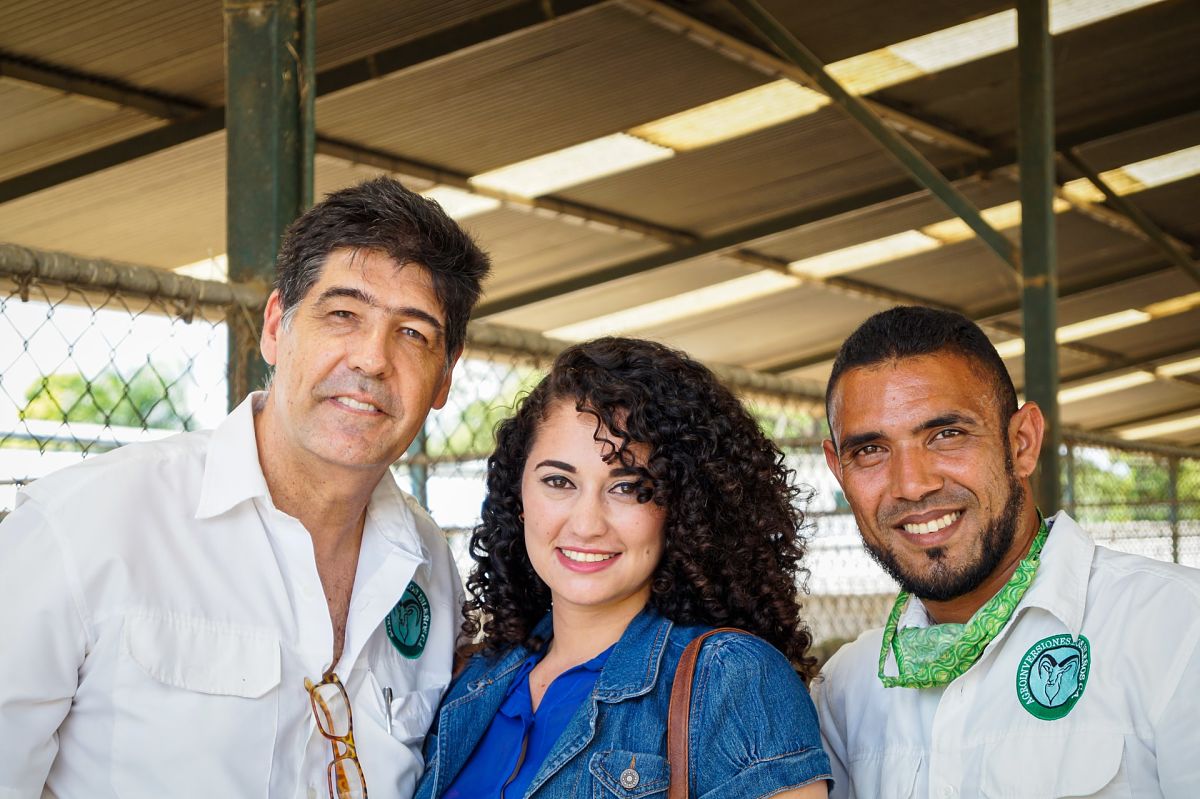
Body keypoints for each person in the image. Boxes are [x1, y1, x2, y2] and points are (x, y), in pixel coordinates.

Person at [0, 177, 491, 799]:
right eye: (343, 314)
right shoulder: (82, 526)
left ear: (445, 378)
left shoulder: (429, 566)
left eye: (413, 333)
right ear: (275, 328)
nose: (371, 358)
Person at [413, 337, 832, 799]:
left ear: (685, 507)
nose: (587, 524)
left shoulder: (731, 678)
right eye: (558, 481)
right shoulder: (476, 679)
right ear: (519, 500)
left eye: (629, 487)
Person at [813, 306, 1200, 798]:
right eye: (870, 450)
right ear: (837, 470)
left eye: (947, 435)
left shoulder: (1177, 629)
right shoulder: (847, 691)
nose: (911, 485)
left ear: (1022, 442)